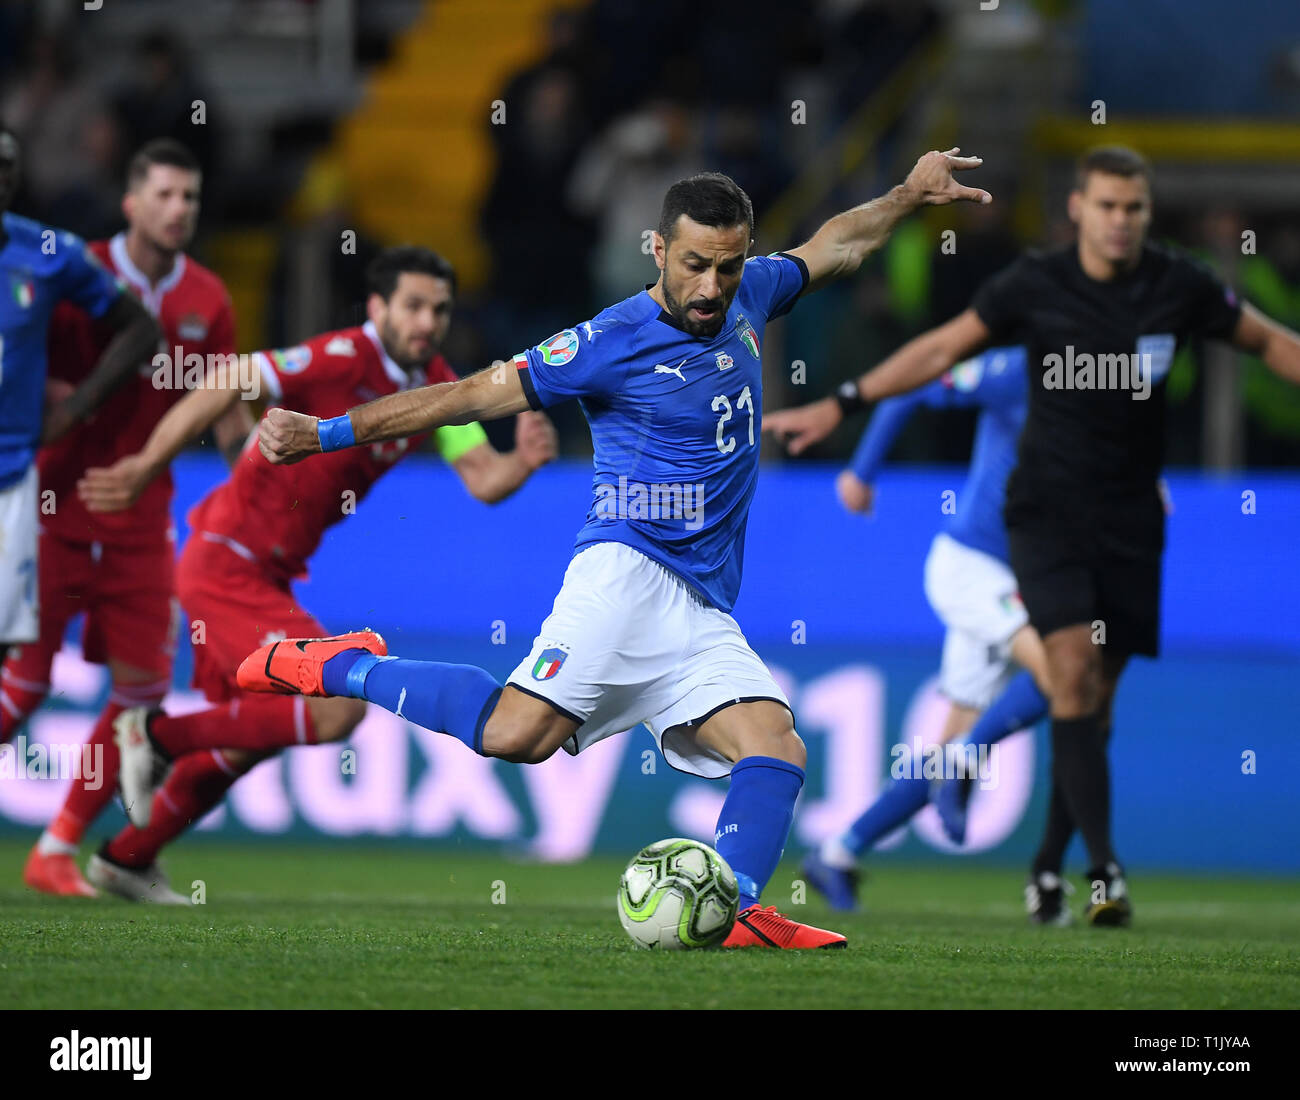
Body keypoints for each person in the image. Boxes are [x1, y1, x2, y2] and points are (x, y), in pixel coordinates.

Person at [242, 152, 993, 948]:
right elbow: (468, 395)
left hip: (702, 600)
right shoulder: (606, 341)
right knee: (514, 736)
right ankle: (339, 665)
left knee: (775, 745)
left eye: (728, 267)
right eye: (696, 264)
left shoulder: (753, 293)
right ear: (659, 250)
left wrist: (909, 196)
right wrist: (324, 433)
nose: (712, 287)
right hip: (626, 571)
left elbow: (835, 243)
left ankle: (731, 904)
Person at [764, 145, 1300, 926]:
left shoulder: (1173, 290)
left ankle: (851, 848)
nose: (1121, 222)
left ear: (1147, 215)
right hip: (989, 559)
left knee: (1066, 707)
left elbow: (1247, 352)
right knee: (1064, 676)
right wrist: (856, 452)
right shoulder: (1017, 349)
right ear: (1079, 210)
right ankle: (1082, 860)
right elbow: (928, 367)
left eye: (1135, 208)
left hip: (1093, 541)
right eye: (1107, 205)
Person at [76, 246, 557, 902]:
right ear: (377, 308)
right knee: (332, 706)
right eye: (413, 306)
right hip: (224, 562)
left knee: (251, 734)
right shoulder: (341, 358)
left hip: (267, 578)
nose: (428, 322)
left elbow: (482, 478)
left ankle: (124, 859)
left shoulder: (438, 380)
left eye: (440, 310)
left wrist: (524, 463)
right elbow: (229, 380)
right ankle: (157, 734)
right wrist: (143, 466)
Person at [5, 138, 244, 899]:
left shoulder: (210, 300)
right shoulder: (74, 270)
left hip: (144, 523)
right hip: (54, 505)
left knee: (142, 694)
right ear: (131, 202)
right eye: (166, 195)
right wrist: (57, 412)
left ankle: (56, 848)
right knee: (27, 679)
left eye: (192, 198)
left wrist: (259, 471)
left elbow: (226, 405)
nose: (180, 210)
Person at [796, 345, 1057, 913]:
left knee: (949, 740)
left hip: (1023, 578)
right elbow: (911, 386)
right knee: (1063, 673)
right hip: (973, 567)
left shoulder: (1103, 385)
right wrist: (862, 472)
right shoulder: (1016, 368)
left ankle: (838, 851)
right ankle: (967, 760)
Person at [0, 121, 159, 701]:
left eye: (5, 167)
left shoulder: (46, 253)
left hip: (11, 482)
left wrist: (79, 407)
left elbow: (140, 329)